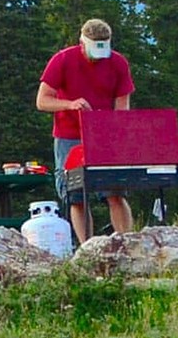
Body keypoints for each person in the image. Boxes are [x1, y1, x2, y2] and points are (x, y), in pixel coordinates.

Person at [35, 17, 135, 243]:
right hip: (69, 136)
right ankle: (88, 246)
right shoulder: (62, 60)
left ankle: (127, 243)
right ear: (82, 43)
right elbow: (42, 101)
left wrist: (116, 134)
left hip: (104, 137)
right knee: (76, 195)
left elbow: (122, 106)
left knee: (115, 192)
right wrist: (69, 104)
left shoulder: (118, 63)